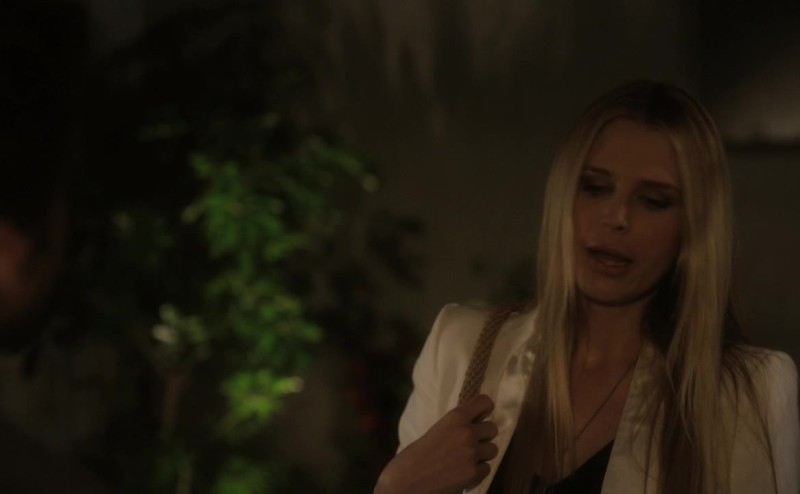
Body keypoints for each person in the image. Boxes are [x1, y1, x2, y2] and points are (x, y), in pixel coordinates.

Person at [374, 81, 800, 494]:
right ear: (563, 195)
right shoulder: (460, 347)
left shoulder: (746, 392)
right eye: (596, 187)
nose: (617, 217)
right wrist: (395, 488)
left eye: (653, 200)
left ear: (693, 228)